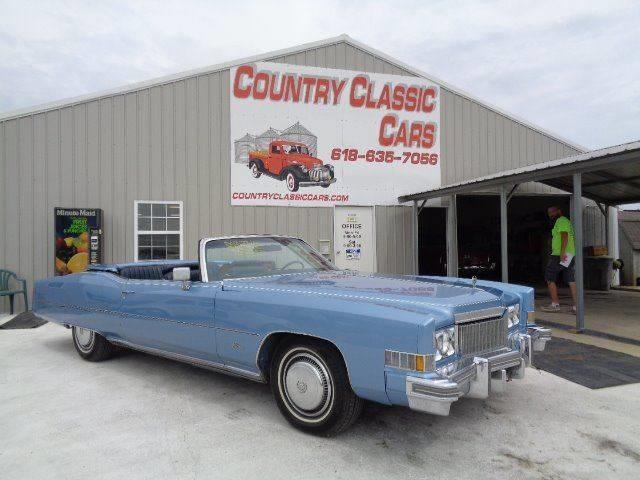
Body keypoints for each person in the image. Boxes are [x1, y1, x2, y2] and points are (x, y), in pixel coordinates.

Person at [541, 206, 577, 313]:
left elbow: (564, 237)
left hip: (559, 255)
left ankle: (555, 304)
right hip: (569, 254)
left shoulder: (561, 220)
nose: (551, 214)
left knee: (549, 278)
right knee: (571, 279)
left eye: (552, 212)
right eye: (549, 213)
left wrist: (562, 253)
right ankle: (576, 306)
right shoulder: (563, 221)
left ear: (559, 211)